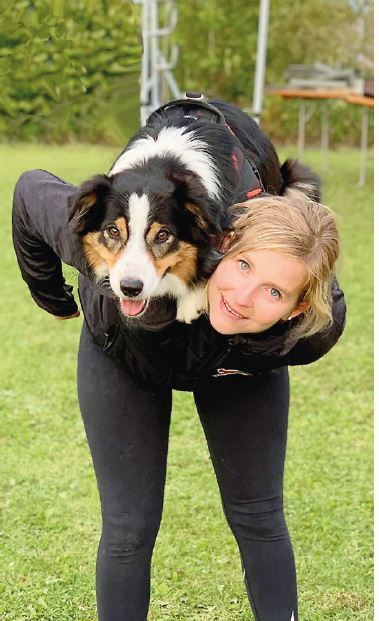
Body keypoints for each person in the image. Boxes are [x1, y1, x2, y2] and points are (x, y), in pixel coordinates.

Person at [12, 171, 345, 621]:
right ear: (220, 242)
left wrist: (256, 348)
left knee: (259, 516)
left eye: (274, 292)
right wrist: (52, 295)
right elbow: (31, 189)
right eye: (243, 266)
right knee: (128, 527)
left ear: (297, 308)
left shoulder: (310, 332)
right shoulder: (119, 238)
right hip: (124, 354)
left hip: (235, 366)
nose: (244, 297)